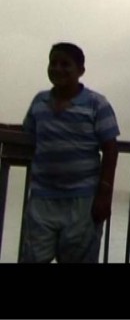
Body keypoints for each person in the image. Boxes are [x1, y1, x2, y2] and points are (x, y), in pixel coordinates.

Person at [20, 42, 120, 263]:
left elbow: (111, 149)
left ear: (81, 70)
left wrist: (104, 195)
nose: (57, 68)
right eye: (53, 63)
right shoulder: (39, 101)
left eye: (65, 64)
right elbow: (29, 136)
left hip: (82, 200)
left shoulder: (96, 104)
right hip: (42, 198)